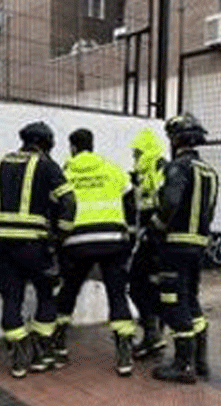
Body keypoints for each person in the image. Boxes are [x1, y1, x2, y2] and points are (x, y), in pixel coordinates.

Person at [0, 121, 77, 378]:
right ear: (45, 144)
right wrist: (61, 235)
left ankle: (19, 355)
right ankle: (41, 353)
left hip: (3, 244)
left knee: (12, 298)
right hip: (35, 244)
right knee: (47, 293)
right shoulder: (45, 164)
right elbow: (68, 200)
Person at [52, 128, 136, 376]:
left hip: (77, 242)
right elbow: (130, 198)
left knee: (69, 290)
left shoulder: (65, 173)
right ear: (92, 145)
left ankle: (58, 343)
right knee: (117, 294)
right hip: (112, 240)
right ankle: (124, 354)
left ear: (73, 148)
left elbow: (56, 207)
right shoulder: (111, 169)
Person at [149, 113, 218, 383]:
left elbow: (170, 203)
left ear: (177, 139)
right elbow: (209, 212)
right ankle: (200, 361)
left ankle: (182, 365)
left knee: (172, 300)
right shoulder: (209, 172)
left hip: (175, 245)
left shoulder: (177, 168)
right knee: (191, 298)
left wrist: (155, 226)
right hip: (199, 245)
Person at [127, 128, 168, 360]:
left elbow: (165, 202)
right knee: (140, 286)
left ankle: (154, 335)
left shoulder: (161, 167)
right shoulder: (142, 173)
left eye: (137, 152)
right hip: (147, 239)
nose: (134, 156)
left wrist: (153, 230)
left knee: (146, 286)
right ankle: (153, 335)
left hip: (157, 239)